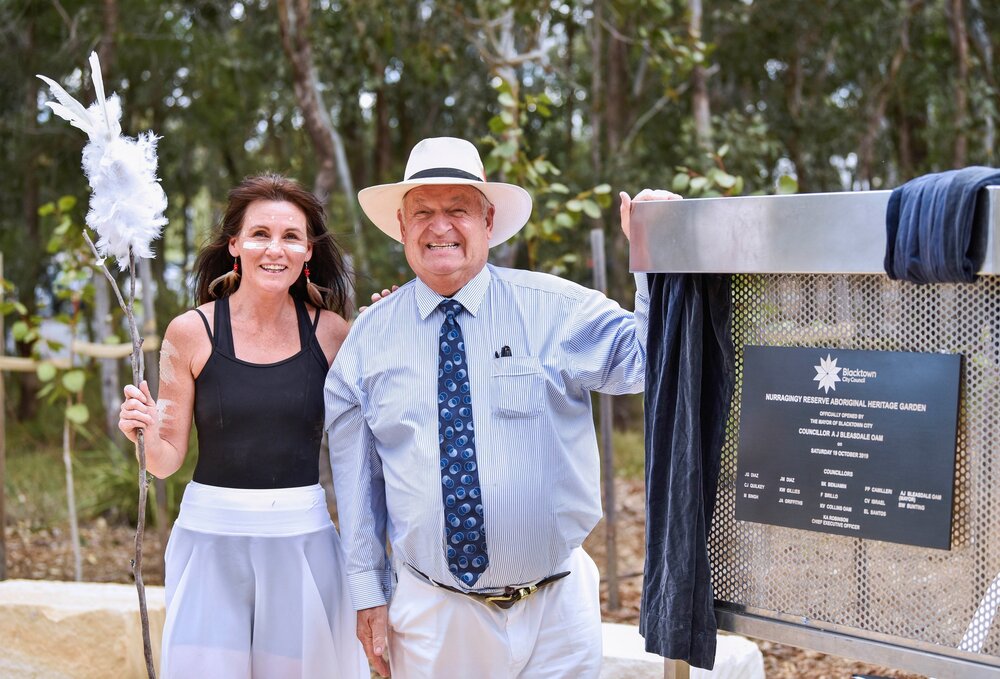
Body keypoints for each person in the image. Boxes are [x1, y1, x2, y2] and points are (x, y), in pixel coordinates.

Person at [324, 136, 679, 678]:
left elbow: (650, 361)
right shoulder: (367, 342)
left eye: (457, 210)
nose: (439, 226)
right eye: (423, 212)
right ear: (401, 226)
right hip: (434, 618)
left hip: (558, 613)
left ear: (488, 221)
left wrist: (655, 254)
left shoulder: (556, 309)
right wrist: (369, 596)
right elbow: (356, 491)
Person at [118, 174, 369, 678]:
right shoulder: (190, 332)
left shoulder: (335, 333)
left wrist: (385, 331)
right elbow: (166, 461)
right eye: (259, 234)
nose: (274, 249)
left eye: (291, 236)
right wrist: (141, 432)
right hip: (210, 541)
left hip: (303, 540)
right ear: (235, 245)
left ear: (308, 253)